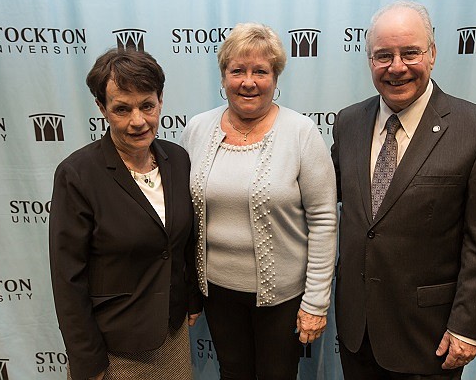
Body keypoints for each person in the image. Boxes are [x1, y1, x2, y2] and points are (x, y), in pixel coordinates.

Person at [331, 1, 476, 379]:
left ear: (432, 54)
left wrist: (467, 325)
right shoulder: (348, 123)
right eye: (383, 55)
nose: (396, 67)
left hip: (429, 338)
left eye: (410, 52)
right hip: (356, 331)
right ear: (369, 61)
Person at [181, 22, 337, 380]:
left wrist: (315, 302)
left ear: (275, 77)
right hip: (217, 293)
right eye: (237, 70)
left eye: (260, 71)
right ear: (223, 77)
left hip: (281, 299)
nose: (248, 81)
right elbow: (183, 216)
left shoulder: (301, 133)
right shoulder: (197, 130)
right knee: (233, 374)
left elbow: (325, 220)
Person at [49, 48, 202, 380]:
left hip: (172, 336)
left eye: (147, 105)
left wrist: (190, 298)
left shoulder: (177, 159)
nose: (138, 121)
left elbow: (181, 243)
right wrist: (87, 363)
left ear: (160, 101)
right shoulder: (77, 174)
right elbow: (68, 279)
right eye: (122, 109)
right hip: (113, 348)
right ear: (102, 109)